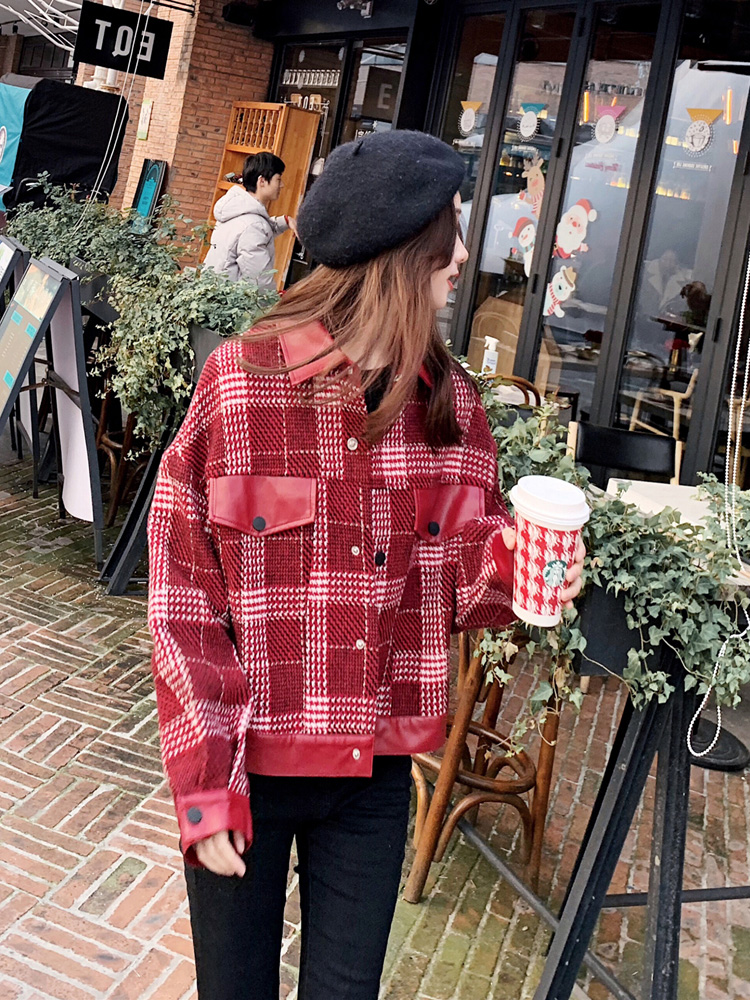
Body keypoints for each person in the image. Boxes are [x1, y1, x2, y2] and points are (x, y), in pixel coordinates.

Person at [147, 129, 585, 1000]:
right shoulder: (241, 385)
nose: (464, 255)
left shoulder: (451, 407)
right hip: (245, 770)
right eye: (449, 231)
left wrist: (520, 566)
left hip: (374, 780)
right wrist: (204, 787)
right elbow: (182, 600)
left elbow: (460, 577)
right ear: (398, 255)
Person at [203, 150, 296, 289]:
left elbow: (256, 232)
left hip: (214, 293)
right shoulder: (253, 225)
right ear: (262, 181)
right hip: (231, 300)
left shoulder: (236, 209)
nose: (281, 185)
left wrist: (285, 221)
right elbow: (259, 283)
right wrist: (274, 300)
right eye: (278, 179)